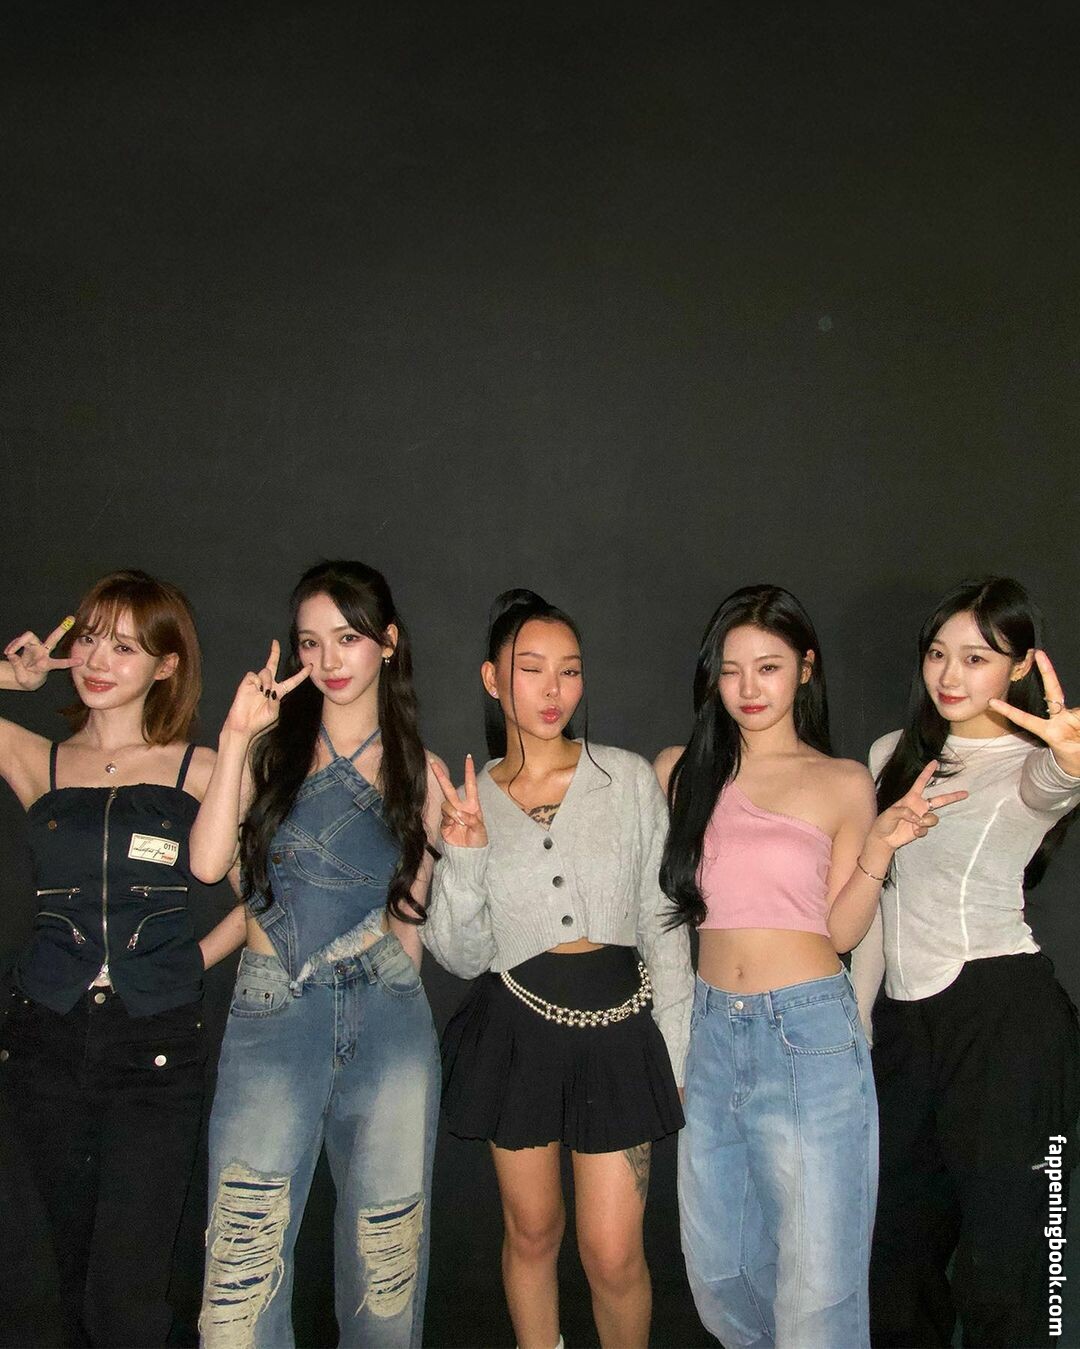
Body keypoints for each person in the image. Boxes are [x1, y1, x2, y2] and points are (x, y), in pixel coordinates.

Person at [656, 583, 964, 1349]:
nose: (749, 687)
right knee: (720, 1274)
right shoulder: (679, 772)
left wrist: (878, 850)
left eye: (769, 666)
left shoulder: (842, 780)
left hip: (809, 1034)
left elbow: (842, 928)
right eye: (732, 669)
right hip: (712, 1035)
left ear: (805, 668)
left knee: (819, 1292)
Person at [422, 588, 691, 1349]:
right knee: (532, 1232)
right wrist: (464, 853)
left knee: (613, 1253)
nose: (552, 689)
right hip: (515, 1032)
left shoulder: (626, 779)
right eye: (531, 668)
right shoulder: (470, 800)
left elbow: (663, 920)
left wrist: (677, 1048)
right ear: (491, 678)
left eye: (569, 670)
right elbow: (459, 955)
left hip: (618, 1029)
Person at [192, 560, 443, 1349]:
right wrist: (235, 735)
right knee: (239, 1279)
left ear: (387, 642)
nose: (329, 659)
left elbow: (411, 921)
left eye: (348, 637)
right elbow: (207, 863)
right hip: (274, 1006)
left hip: (388, 1011)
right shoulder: (270, 750)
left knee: (386, 1273)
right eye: (310, 642)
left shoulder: (421, 772)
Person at [0, 569, 243, 1347]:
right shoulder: (36, 757)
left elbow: (262, 897)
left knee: (129, 1287)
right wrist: (6, 676)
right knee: (54, 1278)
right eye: (91, 638)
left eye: (126, 647)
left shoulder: (198, 767)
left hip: (155, 1049)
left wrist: (188, 961)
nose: (99, 660)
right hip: (45, 1036)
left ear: (166, 665)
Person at [850, 576, 1080, 1348]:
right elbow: (878, 903)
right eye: (938, 653)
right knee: (895, 1258)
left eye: (977, 657)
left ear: (1020, 666)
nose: (950, 674)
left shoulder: (1031, 762)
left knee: (1011, 1263)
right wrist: (859, 1024)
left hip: (1005, 1025)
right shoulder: (891, 755)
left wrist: (1070, 762)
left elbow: (1053, 785)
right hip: (905, 1029)